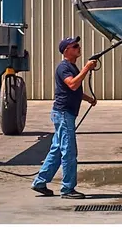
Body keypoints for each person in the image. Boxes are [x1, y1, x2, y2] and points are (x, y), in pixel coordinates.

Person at [31, 36, 97, 198]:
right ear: (66, 51)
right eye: (75, 46)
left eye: (78, 45)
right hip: (63, 114)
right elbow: (72, 84)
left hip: (65, 113)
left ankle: (40, 181)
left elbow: (74, 90)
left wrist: (88, 99)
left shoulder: (72, 67)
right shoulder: (64, 68)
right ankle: (67, 189)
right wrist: (87, 68)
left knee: (57, 150)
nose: (78, 48)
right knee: (69, 151)